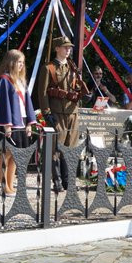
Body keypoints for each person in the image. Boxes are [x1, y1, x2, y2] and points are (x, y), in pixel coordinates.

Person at [36, 36, 88, 190]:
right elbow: (42, 93)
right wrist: (46, 113)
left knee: (70, 149)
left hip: (72, 113)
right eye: (65, 47)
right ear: (57, 48)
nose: (68, 50)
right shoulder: (48, 68)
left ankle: (68, 181)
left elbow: (76, 88)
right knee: (54, 149)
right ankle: (56, 180)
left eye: (69, 47)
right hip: (57, 113)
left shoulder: (73, 68)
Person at [0, 49, 37, 196]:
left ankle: (10, 185)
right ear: (11, 63)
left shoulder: (21, 81)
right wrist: (7, 125)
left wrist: (29, 122)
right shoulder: (4, 79)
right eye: (18, 62)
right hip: (9, 123)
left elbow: (27, 103)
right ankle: (4, 186)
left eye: (23, 62)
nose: (21, 65)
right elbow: (3, 104)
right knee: (6, 155)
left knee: (15, 156)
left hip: (21, 121)